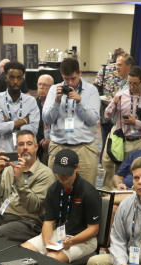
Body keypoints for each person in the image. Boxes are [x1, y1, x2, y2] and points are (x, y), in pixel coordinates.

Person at [20, 149, 101, 263]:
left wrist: (72, 241)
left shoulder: (89, 192)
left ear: (77, 168)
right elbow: (48, 221)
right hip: (59, 234)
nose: (62, 176)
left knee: (51, 259)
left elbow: (93, 229)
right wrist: (47, 242)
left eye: (66, 172)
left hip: (83, 240)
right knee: (24, 251)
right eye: (60, 171)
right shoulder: (54, 189)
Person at [41, 57, 101, 185]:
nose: (70, 83)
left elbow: (93, 120)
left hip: (84, 149)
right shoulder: (54, 90)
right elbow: (47, 119)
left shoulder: (91, 91)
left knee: (86, 191)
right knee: (55, 189)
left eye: (73, 78)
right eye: (66, 79)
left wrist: (80, 102)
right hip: (58, 147)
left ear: (80, 73)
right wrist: (56, 102)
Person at [101, 66, 141, 182]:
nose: (132, 87)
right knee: (112, 175)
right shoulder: (121, 95)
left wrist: (135, 122)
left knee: (135, 176)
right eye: (129, 83)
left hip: (139, 142)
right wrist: (113, 104)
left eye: (135, 84)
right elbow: (106, 116)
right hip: (119, 140)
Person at [0, 60, 39, 154]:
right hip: (4, 155)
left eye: (19, 78)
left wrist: (9, 123)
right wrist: (23, 121)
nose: (15, 81)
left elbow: (33, 130)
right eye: (12, 77)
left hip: (25, 155)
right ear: (6, 78)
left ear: (23, 79)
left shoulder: (31, 101)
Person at [35, 73, 54, 164]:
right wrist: (41, 141)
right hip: (37, 146)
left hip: (55, 143)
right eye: (40, 84)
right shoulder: (32, 105)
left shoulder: (56, 104)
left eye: (45, 85)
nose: (42, 87)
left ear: (52, 88)